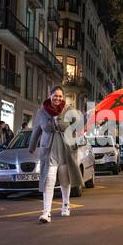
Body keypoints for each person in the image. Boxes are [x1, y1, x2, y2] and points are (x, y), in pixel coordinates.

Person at [29, 86, 83, 224]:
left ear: (63, 97)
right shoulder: (42, 112)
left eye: (60, 96)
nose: (57, 98)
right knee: (49, 181)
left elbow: (78, 128)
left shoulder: (69, 111)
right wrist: (32, 146)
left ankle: (66, 205)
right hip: (49, 151)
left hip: (65, 150)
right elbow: (36, 129)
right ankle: (46, 213)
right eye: (55, 95)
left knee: (65, 180)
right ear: (50, 95)